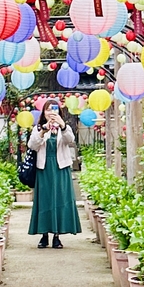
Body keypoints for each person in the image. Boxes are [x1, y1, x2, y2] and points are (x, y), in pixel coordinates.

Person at [27, 99, 81, 248]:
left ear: (59, 111)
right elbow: (32, 145)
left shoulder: (64, 127)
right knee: (45, 200)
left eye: (54, 109)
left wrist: (62, 125)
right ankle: (44, 235)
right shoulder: (39, 128)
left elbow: (70, 140)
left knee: (60, 200)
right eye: (48, 109)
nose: (51, 112)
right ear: (43, 112)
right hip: (44, 168)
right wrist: (43, 131)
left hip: (60, 168)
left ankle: (57, 235)